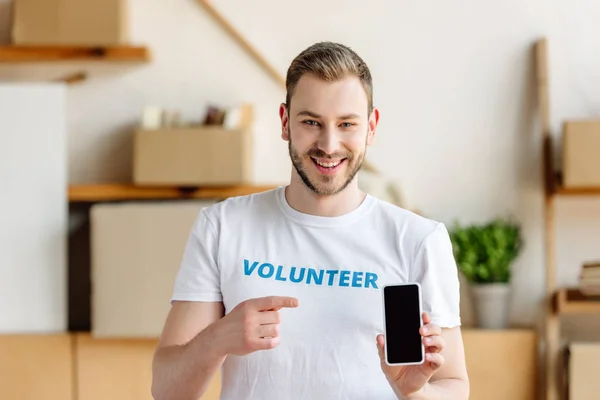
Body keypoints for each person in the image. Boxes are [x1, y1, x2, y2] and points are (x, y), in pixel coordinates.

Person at [151, 42, 469, 400]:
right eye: (311, 122)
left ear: (371, 127)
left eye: (346, 124)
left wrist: (414, 393)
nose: (329, 145)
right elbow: (166, 390)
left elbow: (454, 385)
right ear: (285, 122)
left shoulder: (418, 239)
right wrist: (218, 338)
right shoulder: (223, 226)